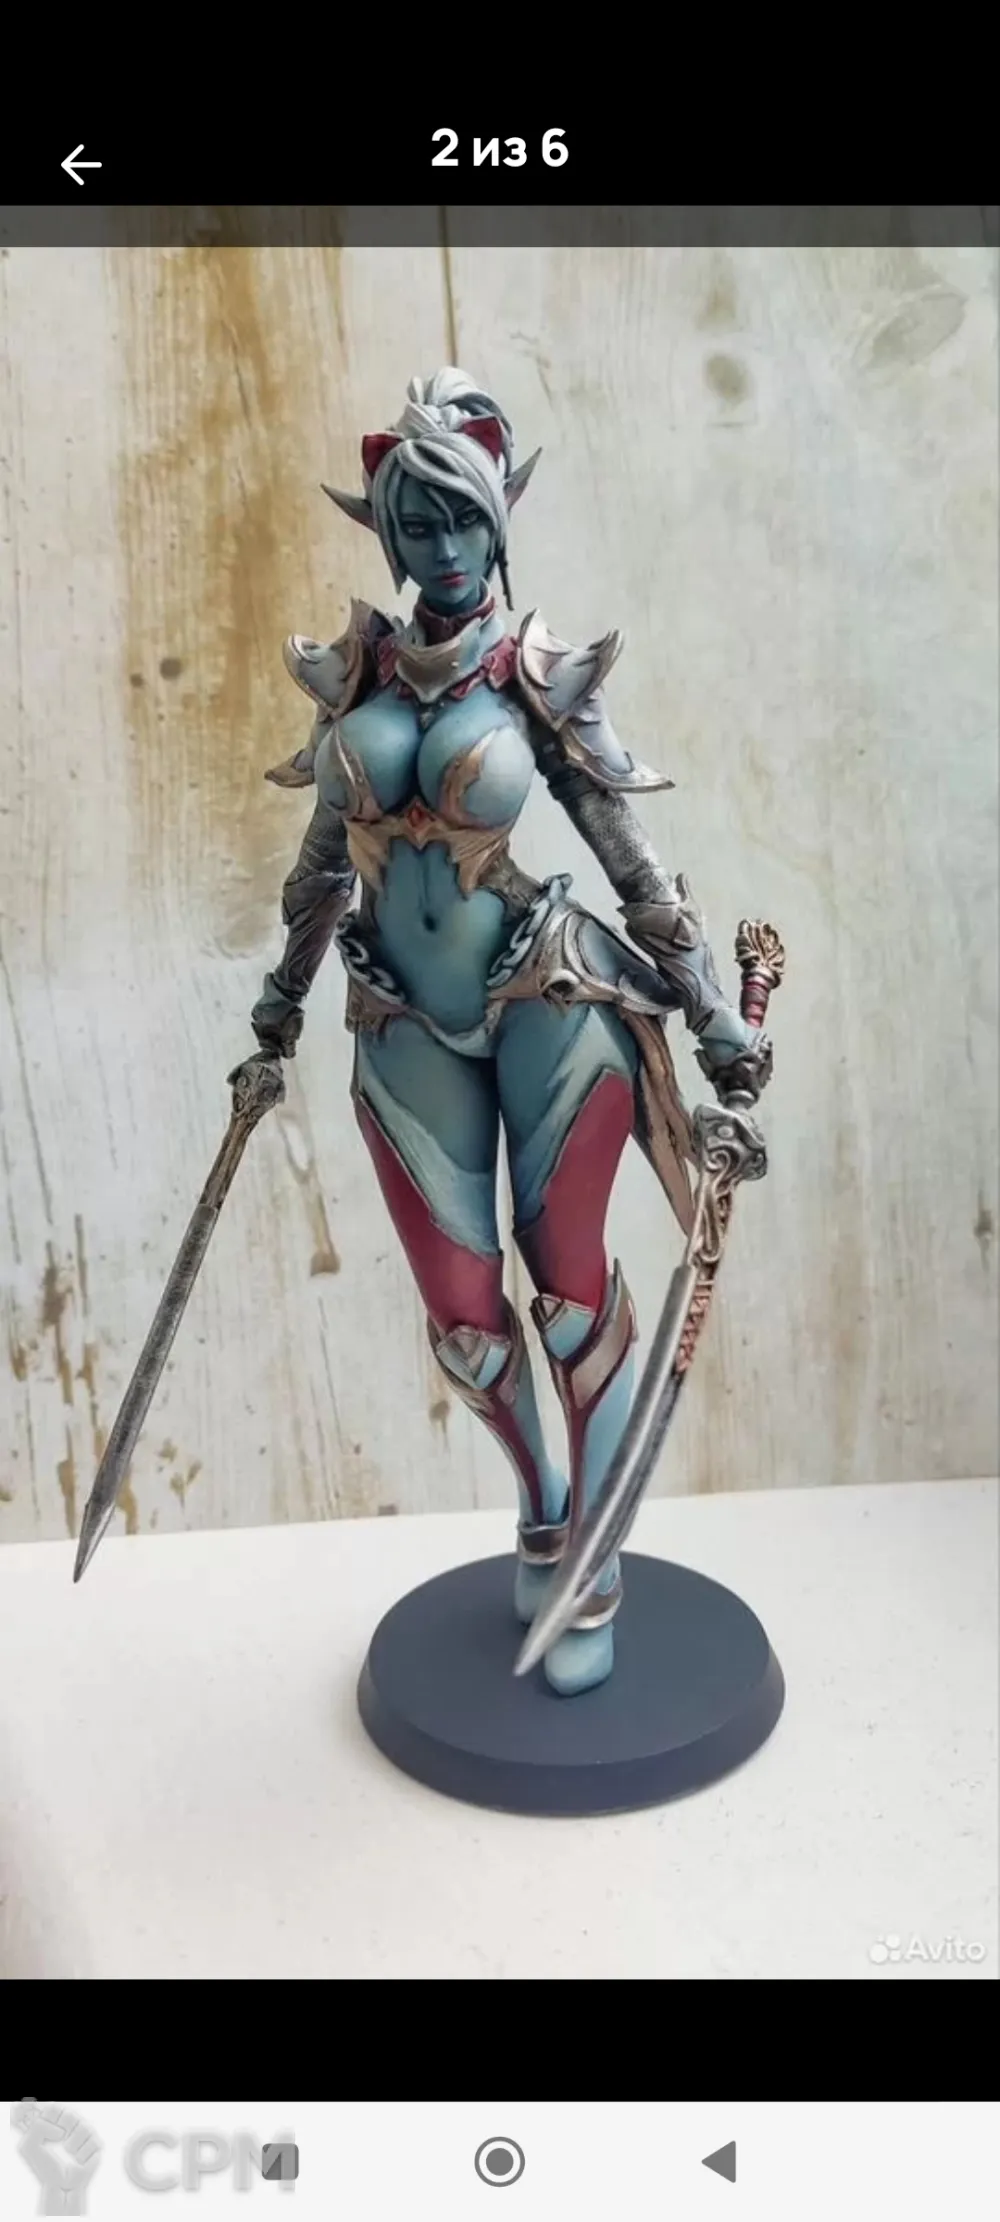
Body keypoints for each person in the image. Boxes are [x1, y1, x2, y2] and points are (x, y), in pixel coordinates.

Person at [233, 368, 771, 1696]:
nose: (443, 547)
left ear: (499, 515)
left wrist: (716, 1020)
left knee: (570, 1288)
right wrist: (279, 1006)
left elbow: (630, 860)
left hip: (546, 995)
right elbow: (319, 867)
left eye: (464, 518)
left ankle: (593, 1565)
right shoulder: (357, 674)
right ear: (388, 531)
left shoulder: (530, 676)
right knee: (466, 1321)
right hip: (398, 1011)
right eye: (416, 523)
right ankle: (544, 1503)